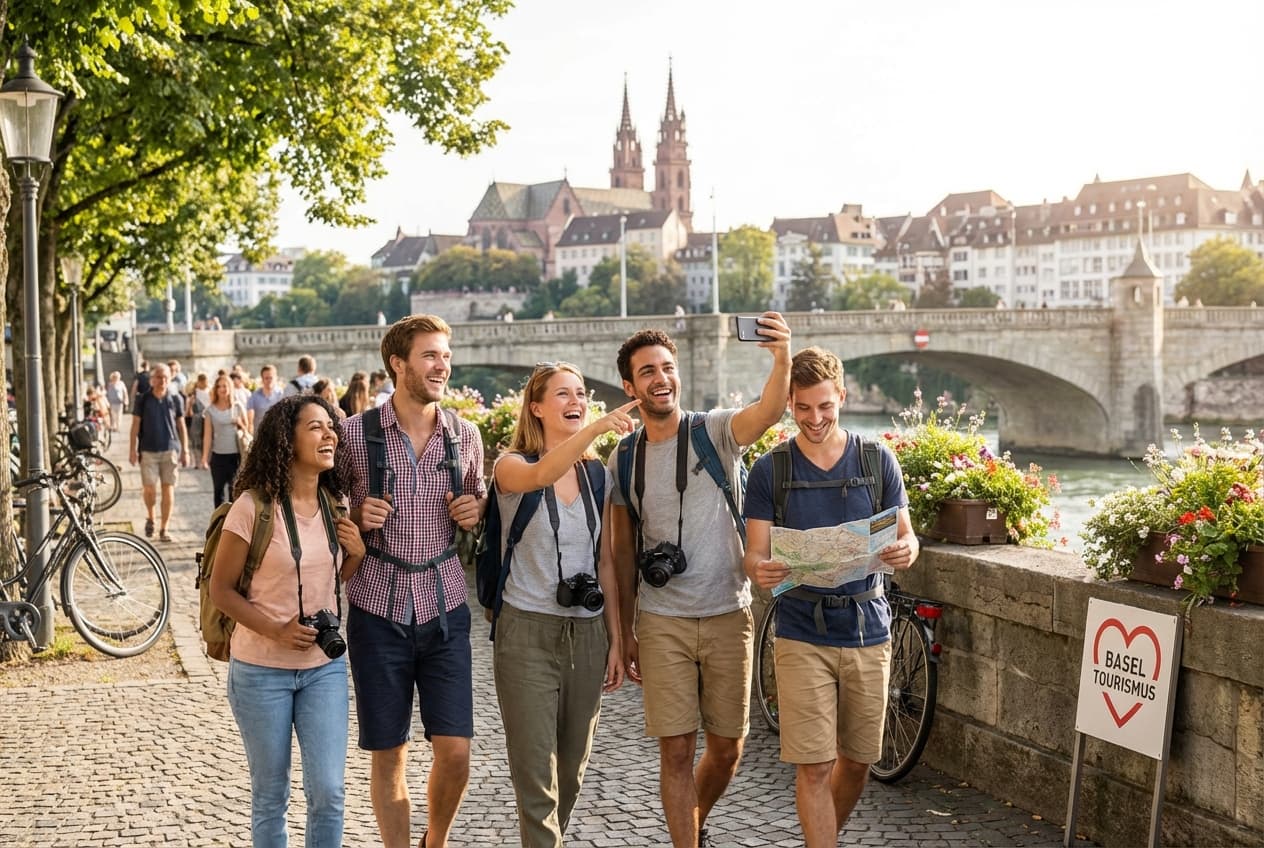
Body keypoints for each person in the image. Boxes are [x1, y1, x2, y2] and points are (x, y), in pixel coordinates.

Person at [608, 315, 791, 848]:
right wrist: (626, 633)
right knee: (676, 750)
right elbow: (621, 553)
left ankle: (690, 822)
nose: (660, 379)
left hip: (728, 612)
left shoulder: (713, 431)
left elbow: (768, 412)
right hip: (663, 618)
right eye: (647, 372)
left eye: (667, 368)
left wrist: (781, 357)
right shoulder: (626, 455)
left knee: (729, 746)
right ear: (629, 386)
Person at [742, 347, 919, 848]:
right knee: (815, 764)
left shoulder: (875, 458)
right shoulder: (770, 471)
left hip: (868, 626)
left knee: (859, 761)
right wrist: (762, 567)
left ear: (842, 396)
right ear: (790, 406)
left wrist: (906, 550)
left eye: (825, 406)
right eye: (803, 408)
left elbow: (907, 536)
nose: (815, 419)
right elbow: (751, 556)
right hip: (800, 629)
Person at [338, 314, 486, 848]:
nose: (441, 365)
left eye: (445, 356)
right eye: (429, 355)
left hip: (446, 608)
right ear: (398, 364)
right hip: (378, 612)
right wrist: (355, 514)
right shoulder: (354, 436)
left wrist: (476, 508)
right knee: (390, 749)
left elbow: (478, 501)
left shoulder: (465, 435)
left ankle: (435, 841)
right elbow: (329, 521)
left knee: (456, 750)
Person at [209, 393, 366, 848]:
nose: (329, 433)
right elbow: (222, 591)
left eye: (331, 426)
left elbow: (332, 578)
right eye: (316, 426)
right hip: (260, 671)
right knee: (271, 796)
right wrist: (275, 629)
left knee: (329, 793)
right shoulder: (252, 508)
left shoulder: (335, 504)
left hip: (324, 668)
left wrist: (354, 554)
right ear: (286, 439)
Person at [492, 363, 638, 847]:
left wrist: (617, 639)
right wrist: (596, 429)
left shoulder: (597, 476)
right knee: (537, 781)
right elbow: (540, 474)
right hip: (527, 633)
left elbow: (606, 563)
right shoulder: (510, 465)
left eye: (581, 393)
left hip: (587, 633)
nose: (576, 401)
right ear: (536, 407)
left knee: (570, 777)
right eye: (562, 394)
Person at [129, 362, 190, 542]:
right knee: (149, 489)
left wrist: (185, 449)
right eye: (158, 377)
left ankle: (164, 528)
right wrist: (132, 449)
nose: (162, 381)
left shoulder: (176, 398)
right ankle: (150, 516)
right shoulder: (142, 399)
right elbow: (135, 425)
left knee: (168, 488)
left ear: (169, 378)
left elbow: (181, 425)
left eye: (165, 377)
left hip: (170, 449)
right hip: (147, 450)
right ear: (152, 379)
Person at [203, 373, 250, 507]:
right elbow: (207, 435)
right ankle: (218, 523)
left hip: (235, 455)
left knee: (234, 490)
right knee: (218, 491)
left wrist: (239, 422)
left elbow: (246, 429)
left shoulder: (237, 406)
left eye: (225, 386)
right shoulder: (210, 411)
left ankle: (233, 523)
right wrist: (205, 457)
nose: (222, 389)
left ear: (230, 388)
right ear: (216, 390)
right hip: (218, 457)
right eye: (219, 386)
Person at [248, 364, 285, 434]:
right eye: (266, 378)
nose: (269, 380)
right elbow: (250, 415)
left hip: (276, 434)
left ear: (276, 378)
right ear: (262, 379)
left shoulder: (281, 395)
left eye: (271, 378)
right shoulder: (254, 396)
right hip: (259, 435)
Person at [185, 374, 210, 470]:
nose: (205, 384)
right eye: (203, 382)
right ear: (199, 382)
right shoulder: (194, 394)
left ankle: (205, 461)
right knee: (196, 441)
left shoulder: (210, 392)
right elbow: (188, 411)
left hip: (207, 418)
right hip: (196, 419)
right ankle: (198, 462)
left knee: (206, 440)